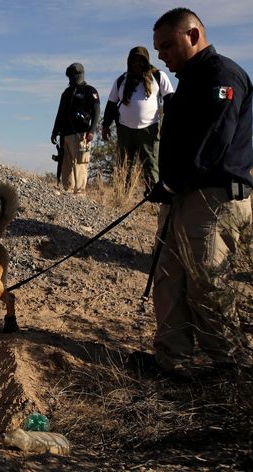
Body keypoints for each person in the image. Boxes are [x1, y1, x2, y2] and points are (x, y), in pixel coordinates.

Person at [147, 8, 253, 378]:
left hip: (213, 199)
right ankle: (171, 360)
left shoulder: (222, 76)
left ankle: (226, 368)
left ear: (193, 35)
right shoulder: (189, 81)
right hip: (182, 197)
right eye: (158, 50)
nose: (162, 55)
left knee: (205, 283)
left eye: (167, 46)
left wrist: (174, 181)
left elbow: (214, 143)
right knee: (169, 278)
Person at [101, 46, 174, 192]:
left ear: (146, 61)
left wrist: (168, 123)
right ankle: (121, 196)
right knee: (123, 165)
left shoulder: (158, 77)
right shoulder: (121, 80)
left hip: (150, 130)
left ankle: (154, 197)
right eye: (134, 61)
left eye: (141, 61)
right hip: (125, 130)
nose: (137, 64)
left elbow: (170, 101)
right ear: (129, 62)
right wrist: (106, 125)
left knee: (151, 166)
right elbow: (111, 104)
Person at [51, 63, 100, 194]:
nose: (71, 78)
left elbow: (96, 111)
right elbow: (60, 113)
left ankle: (79, 194)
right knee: (66, 164)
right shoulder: (66, 93)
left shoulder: (90, 91)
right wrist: (55, 131)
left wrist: (92, 130)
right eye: (70, 76)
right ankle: (68, 190)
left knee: (80, 164)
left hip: (81, 134)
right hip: (65, 134)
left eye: (73, 75)